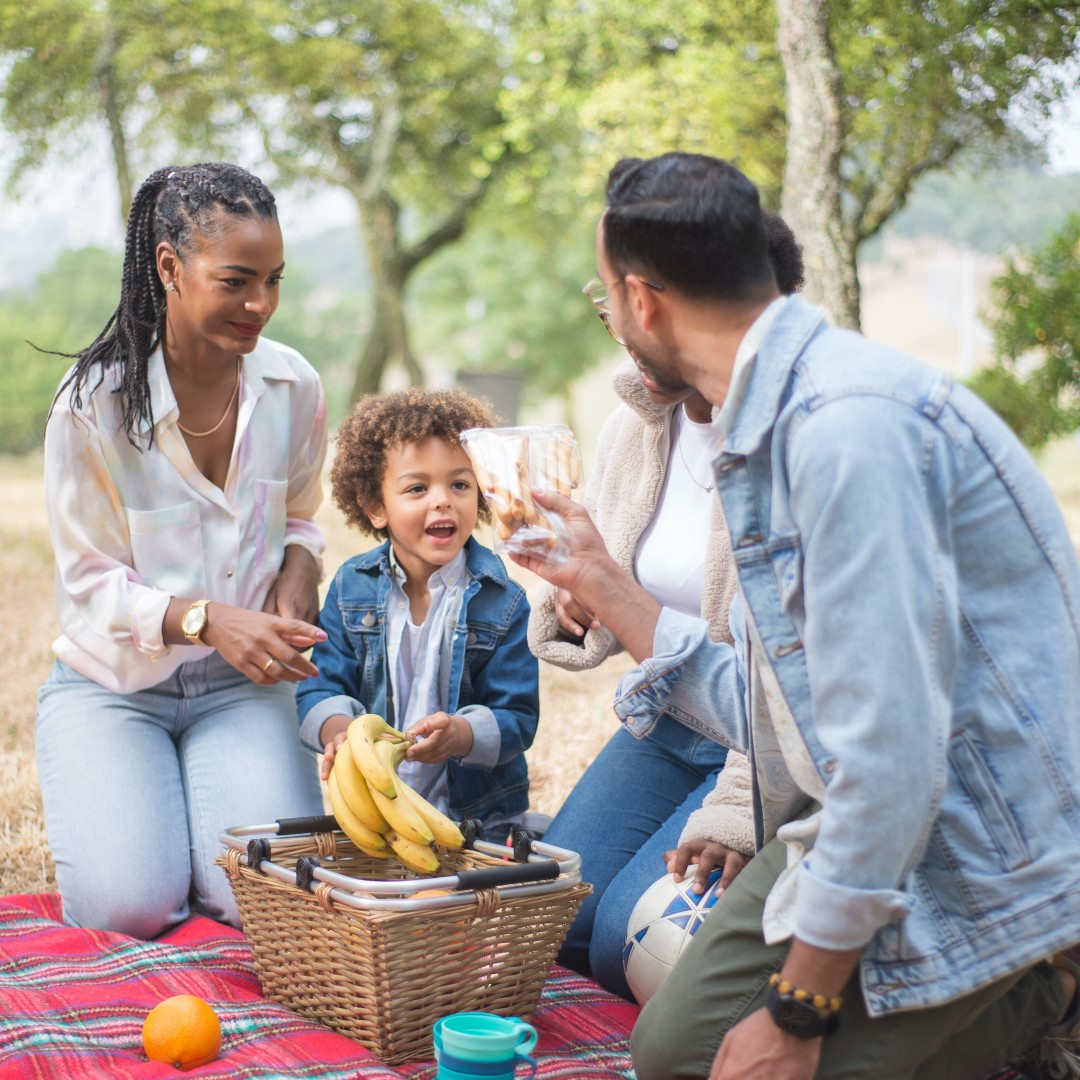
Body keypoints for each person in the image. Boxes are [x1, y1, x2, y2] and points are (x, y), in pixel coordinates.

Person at [512, 151, 1080, 1079]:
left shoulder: (844, 432)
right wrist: (605, 585)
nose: (607, 316)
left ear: (643, 300)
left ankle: (1048, 982)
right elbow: (789, 708)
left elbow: (891, 766)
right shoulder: (765, 422)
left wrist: (801, 1011)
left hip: (984, 836)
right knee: (674, 1052)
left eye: (604, 296)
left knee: (766, 1063)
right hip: (859, 810)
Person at [37, 163, 330, 939]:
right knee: (124, 909)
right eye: (237, 280)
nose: (259, 305)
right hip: (113, 687)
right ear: (170, 266)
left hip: (243, 688)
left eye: (272, 280)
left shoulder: (295, 387)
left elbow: (302, 516)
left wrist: (301, 570)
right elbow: (89, 584)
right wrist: (206, 620)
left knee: (260, 905)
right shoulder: (92, 405)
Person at [529, 213, 806, 1000]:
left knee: (628, 943)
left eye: (627, 301)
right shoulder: (634, 427)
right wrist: (577, 594)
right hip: (670, 719)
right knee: (557, 913)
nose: (619, 326)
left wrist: (735, 814)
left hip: (766, 745)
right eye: (607, 300)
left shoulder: (791, 450)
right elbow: (617, 586)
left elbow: (792, 694)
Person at [296, 388, 540, 842]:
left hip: (478, 817)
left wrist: (462, 734)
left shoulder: (502, 601)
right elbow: (321, 685)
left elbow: (518, 716)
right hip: (379, 810)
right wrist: (340, 732)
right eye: (417, 488)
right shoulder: (352, 589)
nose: (443, 500)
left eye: (460, 484)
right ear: (375, 507)